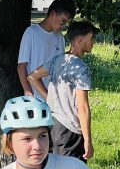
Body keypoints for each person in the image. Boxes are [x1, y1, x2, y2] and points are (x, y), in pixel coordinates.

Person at [28, 20, 99, 161]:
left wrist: (49, 98)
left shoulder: (59, 60)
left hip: (53, 126)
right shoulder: (80, 68)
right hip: (71, 131)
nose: (93, 42)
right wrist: (87, 141)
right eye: (91, 38)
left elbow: (32, 77)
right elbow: (83, 107)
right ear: (80, 40)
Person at [17, 0, 76, 98]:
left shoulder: (60, 38)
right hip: (35, 97)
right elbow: (21, 66)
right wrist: (28, 92)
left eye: (66, 23)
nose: (63, 26)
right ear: (53, 14)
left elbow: (59, 66)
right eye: (63, 21)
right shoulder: (32, 32)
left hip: (54, 96)